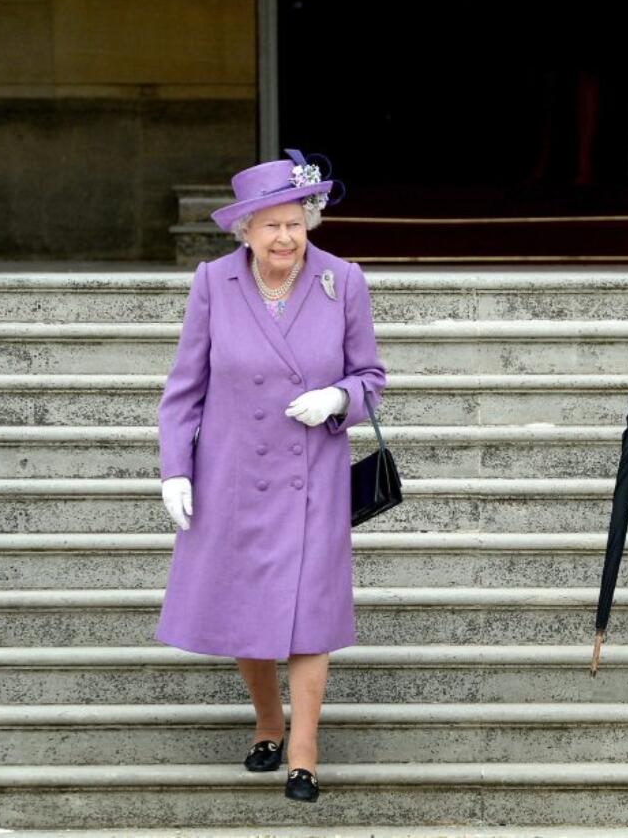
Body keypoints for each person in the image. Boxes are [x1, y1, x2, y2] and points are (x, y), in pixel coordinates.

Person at [155, 150, 386, 801]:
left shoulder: (344, 280)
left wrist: (339, 398)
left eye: (295, 221)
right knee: (245, 606)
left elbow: (371, 377)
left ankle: (304, 749)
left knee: (309, 609)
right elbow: (183, 391)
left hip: (310, 473)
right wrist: (176, 468)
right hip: (230, 473)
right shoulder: (213, 283)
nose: (285, 237)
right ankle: (266, 719)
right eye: (270, 225)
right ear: (245, 231)